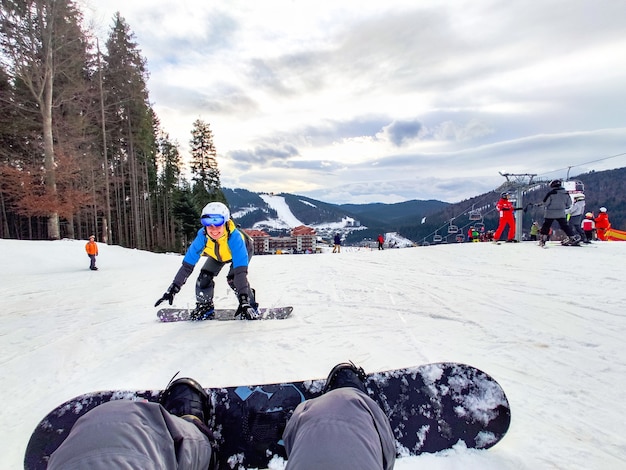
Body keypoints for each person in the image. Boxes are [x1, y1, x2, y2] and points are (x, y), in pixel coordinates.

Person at [47, 363, 395, 470]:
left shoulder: (231, 240)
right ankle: (348, 403)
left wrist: (244, 298)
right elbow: (193, 263)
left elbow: (239, 268)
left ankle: (193, 435)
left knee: (115, 423)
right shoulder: (209, 239)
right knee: (340, 412)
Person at [155, 201, 259, 320]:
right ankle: (205, 307)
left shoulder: (235, 238)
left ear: (225, 222)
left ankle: (250, 305)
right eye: (208, 223)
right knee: (204, 277)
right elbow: (187, 266)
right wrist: (173, 288)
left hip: (244, 249)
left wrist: (243, 299)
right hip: (217, 255)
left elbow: (240, 273)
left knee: (233, 279)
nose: (213, 228)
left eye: (217, 222)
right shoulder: (202, 237)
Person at [538, 180, 581, 247]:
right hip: (561, 213)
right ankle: (572, 237)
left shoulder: (551, 193)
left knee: (546, 226)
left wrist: (540, 205)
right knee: (565, 226)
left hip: (550, 213)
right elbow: (569, 204)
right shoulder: (566, 193)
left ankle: (543, 240)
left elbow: (545, 203)